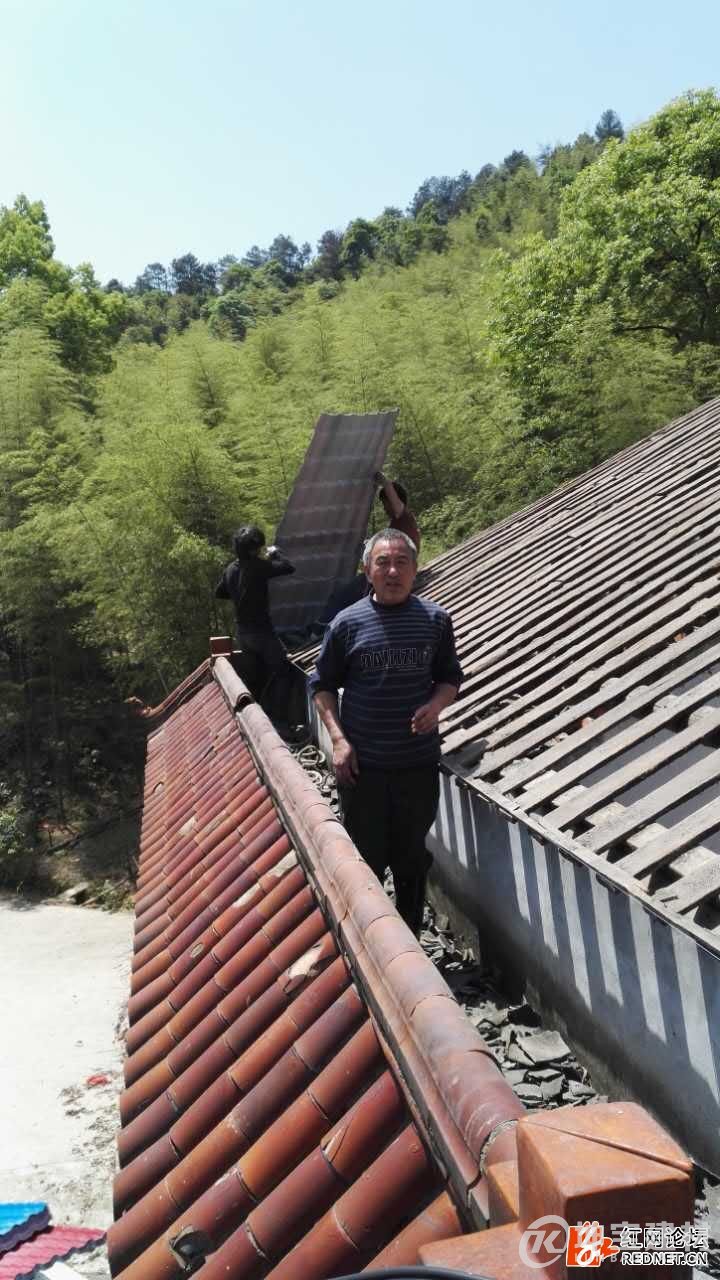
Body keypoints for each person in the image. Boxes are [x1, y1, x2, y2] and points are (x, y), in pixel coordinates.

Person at [309, 528, 462, 935]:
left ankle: (409, 940)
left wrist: (436, 706)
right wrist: (338, 741)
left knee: (411, 859)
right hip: (364, 770)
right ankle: (370, 939)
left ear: (415, 569)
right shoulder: (346, 624)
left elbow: (450, 678)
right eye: (383, 563)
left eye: (401, 563)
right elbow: (322, 686)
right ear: (367, 571)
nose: (392, 571)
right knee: (366, 860)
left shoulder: (435, 620)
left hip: (417, 766)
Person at [215, 525, 298, 736]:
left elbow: (220, 592)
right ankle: (279, 722)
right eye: (259, 548)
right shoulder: (259, 566)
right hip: (262, 633)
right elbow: (289, 567)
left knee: (257, 676)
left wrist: (239, 593)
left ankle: (256, 721)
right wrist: (275, 553)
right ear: (253, 550)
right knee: (284, 672)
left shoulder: (230, 569)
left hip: (243, 635)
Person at [374, 471, 421, 554]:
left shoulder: (404, 517)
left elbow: (388, 487)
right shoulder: (398, 521)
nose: (384, 508)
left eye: (385, 504)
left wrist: (381, 478)